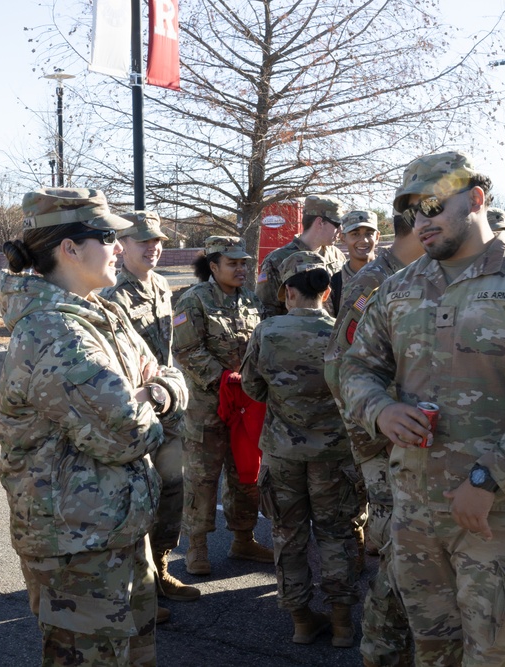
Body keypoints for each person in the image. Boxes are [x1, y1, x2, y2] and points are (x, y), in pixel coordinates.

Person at [341, 151, 505, 665]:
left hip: (496, 519)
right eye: (410, 212)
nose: (421, 222)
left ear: (476, 198)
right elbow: (355, 367)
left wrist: (488, 481)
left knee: (496, 656)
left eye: (432, 205)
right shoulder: (400, 289)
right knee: (432, 651)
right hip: (415, 513)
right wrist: (380, 410)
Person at [0, 188, 188, 666]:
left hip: (116, 529)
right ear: (70, 248)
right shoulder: (53, 331)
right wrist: (147, 398)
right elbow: (129, 431)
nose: (120, 247)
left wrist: (155, 392)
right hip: (76, 544)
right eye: (107, 236)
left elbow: (172, 376)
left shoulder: (103, 312)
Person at [241, 251, 359, 649]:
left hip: (282, 453)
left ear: (287, 291)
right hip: (334, 455)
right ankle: (342, 622)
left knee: (287, 535)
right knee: (336, 534)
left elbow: (252, 387)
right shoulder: (343, 332)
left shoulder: (267, 331)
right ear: (326, 292)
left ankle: (301, 621)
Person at [324, 209, 423, 667]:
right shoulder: (374, 282)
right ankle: (383, 647)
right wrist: (370, 430)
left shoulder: (420, 274)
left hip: (414, 434)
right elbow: (339, 363)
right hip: (381, 437)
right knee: (396, 540)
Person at [99, 210, 201, 607]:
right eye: (144, 241)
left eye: (157, 240)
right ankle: (140, 591)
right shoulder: (113, 295)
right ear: (122, 246)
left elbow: (167, 349)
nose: (154, 247)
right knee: (140, 498)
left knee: (172, 491)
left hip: (167, 408)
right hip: (137, 411)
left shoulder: (160, 285)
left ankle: (160, 569)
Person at [173, 236, 273, 576]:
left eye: (244, 262)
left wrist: (252, 383)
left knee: (245, 474)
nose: (241, 268)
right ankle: (197, 547)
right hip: (208, 406)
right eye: (233, 263)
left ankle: (242, 538)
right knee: (203, 477)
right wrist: (225, 380)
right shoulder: (194, 300)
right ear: (213, 266)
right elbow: (186, 350)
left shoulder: (250, 300)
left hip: (245, 406)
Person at [256, 195, 347, 318]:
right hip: (292, 335)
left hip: (331, 335)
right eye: (337, 224)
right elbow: (265, 311)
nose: (341, 230)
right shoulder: (277, 260)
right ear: (320, 222)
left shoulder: (337, 256)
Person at [329, 210, 378, 314]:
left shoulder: (392, 276)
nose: (364, 240)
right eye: (355, 234)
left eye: (369, 234)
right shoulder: (335, 284)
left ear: (377, 237)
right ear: (343, 238)